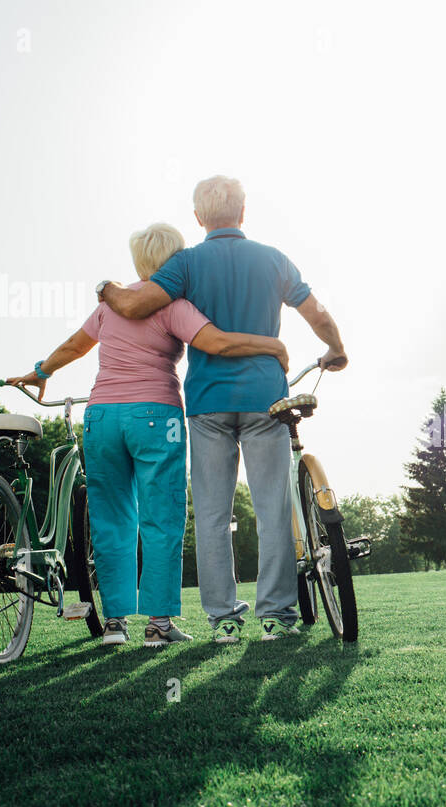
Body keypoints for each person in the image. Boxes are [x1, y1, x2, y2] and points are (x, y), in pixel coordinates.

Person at [8, 222, 290, 648]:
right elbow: (216, 343)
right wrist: (271, 346)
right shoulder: (174, 305)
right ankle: (158, 624)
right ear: (175, 260)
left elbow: (73, 345)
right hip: (156, 416)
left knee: (110, 519)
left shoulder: (109, 307)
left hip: (100, 417)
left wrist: (40, 372)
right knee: (161, 518)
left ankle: (115, 625)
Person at [99, 175, 347, 644]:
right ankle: (275, 616)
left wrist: (106, 290)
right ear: (243, 210)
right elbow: (316, 313)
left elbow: (135, 305)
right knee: (273, 508)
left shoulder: (185, 263)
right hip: (266, 400)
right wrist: (335, 348)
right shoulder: (274, 259)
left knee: (213, 514)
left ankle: (223, 621)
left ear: (198, 218)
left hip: (207, 403)